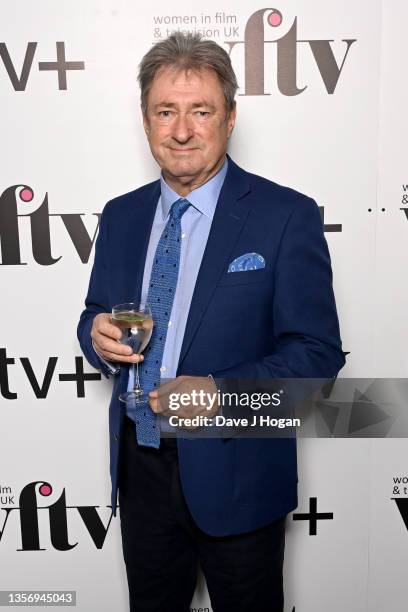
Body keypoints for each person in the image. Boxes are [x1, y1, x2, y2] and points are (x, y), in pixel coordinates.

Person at [78, 31, 345, 612]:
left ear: (229, 117)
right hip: (140, 467)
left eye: (200, 111)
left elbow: (317, 356)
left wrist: (220, 396)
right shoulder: (122, 216)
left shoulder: (285, 215)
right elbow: (95, 314)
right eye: (165, 111)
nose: (181, 130)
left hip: (238, 471)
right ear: (145, 120)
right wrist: (95, 333)